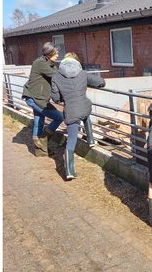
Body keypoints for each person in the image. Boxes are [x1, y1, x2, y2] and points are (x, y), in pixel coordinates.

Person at [49, 51, 105, 180]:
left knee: (71, 140)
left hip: (71, 111)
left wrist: (63, 99)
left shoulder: (56, 77)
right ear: (77, 62)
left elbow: (56, 98)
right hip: (84, 107)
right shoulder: (82, 73)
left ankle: (69, 170)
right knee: (85, 113)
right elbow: (100, 82)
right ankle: (90, 140)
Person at [21, 43, 62, 149]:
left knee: (39, 120)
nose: (58, 55)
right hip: (35, 98)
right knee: (59, 117)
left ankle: (39, 147)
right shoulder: (40, 63)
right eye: (56, 53)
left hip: (36, 97)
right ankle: (43, 139)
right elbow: (56, 75)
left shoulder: (48, 63)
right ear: (49, 53)